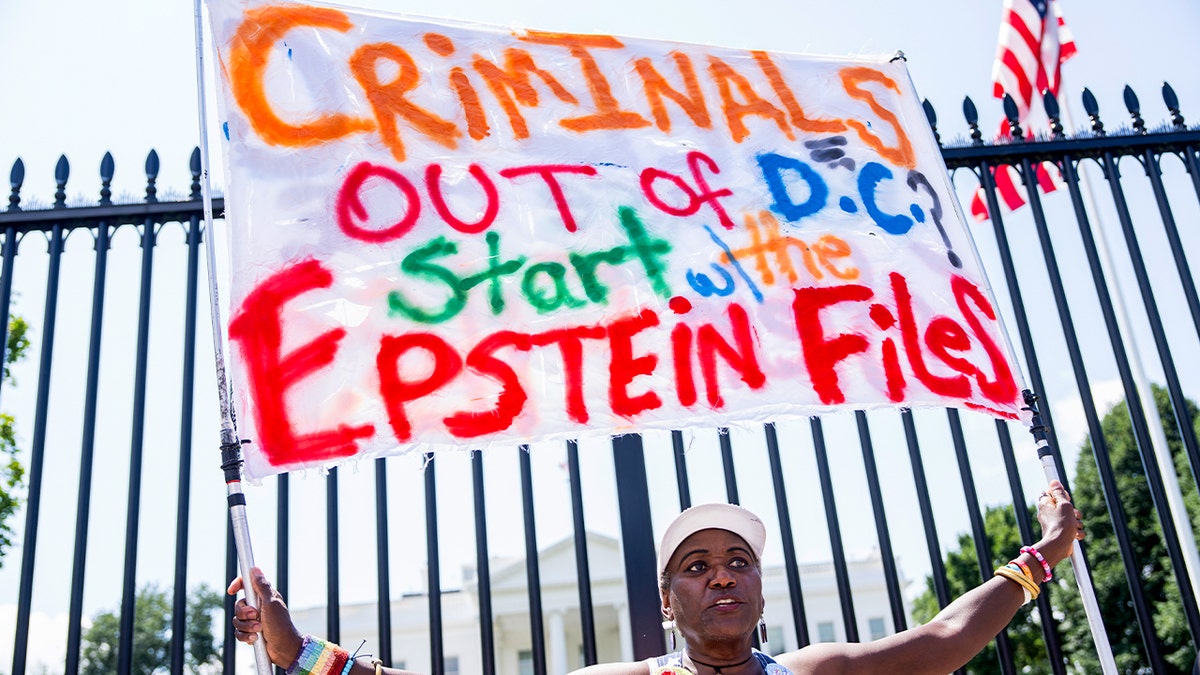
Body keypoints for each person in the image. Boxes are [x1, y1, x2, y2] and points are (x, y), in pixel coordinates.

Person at [230, 480, 1084, 675]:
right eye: (699, 564)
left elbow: (941, 639)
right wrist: (297, 650)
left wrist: (1043, 552)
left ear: (761, 592)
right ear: (666, 600)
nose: (724, 577)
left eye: (739, 562)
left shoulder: (809, 670)